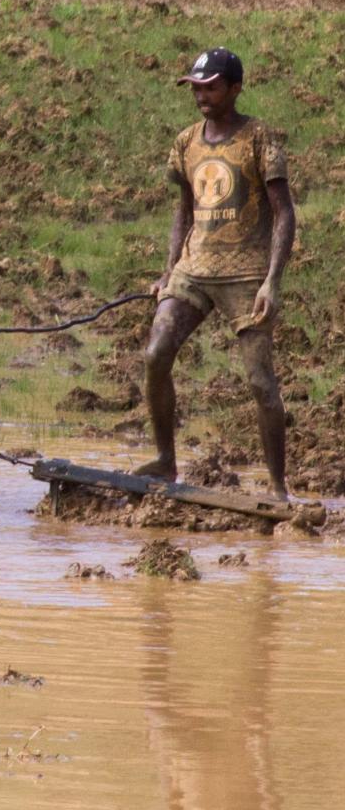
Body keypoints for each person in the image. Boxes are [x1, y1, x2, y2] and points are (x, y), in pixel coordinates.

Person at [135, 47, 296, 499]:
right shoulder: (187, 142)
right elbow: (183, 211)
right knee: (155, 354)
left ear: (235, 88)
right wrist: (168, 273)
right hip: (193, 270)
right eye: (196, 88)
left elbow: (285, 213)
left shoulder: (259, 138)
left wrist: (272, 280)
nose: (202, 96)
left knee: (261, 383)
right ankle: (166, 461)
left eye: (211, 87)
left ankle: (279, 489)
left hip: (246, 276)